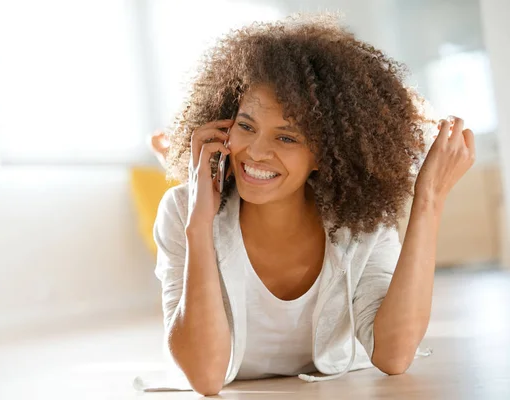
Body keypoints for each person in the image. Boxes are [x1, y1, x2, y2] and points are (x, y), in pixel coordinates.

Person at [134, 13, 475, 396]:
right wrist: (199, 226)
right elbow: (205, 377)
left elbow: (393, 356)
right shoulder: (183, 210)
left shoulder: (359, 224)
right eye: (246, 127)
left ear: (325, 154)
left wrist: (428, 200)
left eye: (287, 138)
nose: (257, 152)